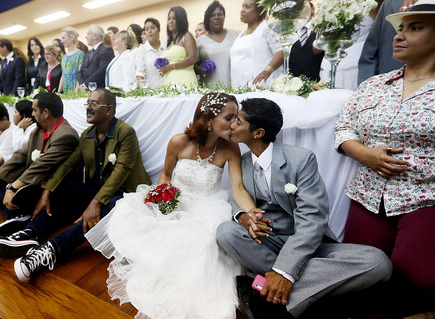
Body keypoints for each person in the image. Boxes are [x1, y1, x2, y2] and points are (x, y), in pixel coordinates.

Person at [85, 92, 262, 319]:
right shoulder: (179, 141)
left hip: (209, 206)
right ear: (209, 119)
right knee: (130, 213)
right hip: (176, 201)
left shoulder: (230, 148)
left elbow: (238, 188)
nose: (233, 124)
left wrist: (251, 212)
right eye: (229, 118)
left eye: (235, 118)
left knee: (204, 243)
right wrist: (164, 200)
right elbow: (165, 175)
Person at [216, 98, 392, 319]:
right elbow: (236, 195)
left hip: (306, 244)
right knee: (226, 233)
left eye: (238, 121)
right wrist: (242, 215)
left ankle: (270, 293)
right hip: (266, 242)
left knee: (377, 263)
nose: (232, 125)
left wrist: (285, 271)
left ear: (258, 133)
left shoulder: (301, 159)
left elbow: (313, 218)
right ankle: (297, 285)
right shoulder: (241, 161)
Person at [335, 0, 435, 316]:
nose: (399, 35)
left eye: (414, 27)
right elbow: (343, 128)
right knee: (356, 272)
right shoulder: (374, 85)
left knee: (417, 277)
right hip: (367, 194)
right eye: (399, 28)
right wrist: (365, 155)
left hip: (424, 195)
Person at [3, 89, 151, 280]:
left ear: (110, 110)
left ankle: (50, 250)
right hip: (97, 191)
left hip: (126, 194)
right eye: (87, 102)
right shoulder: (87, 135)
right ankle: (31, 231)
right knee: (64, 185)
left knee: (111, 205)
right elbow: (68, 165)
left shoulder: (125, 133)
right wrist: (47, 191)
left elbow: (121, 172)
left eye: (94, 103)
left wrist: (95, 203)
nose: (88, 107)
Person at [0, 93, 79, 232]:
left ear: (46, 113)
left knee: (12, 192)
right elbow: (20, 156)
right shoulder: (37, 131)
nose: (32, 114)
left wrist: (12, 188)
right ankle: (18, 217)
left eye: (34, 110)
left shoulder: (67, 135)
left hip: (54, 189)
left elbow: (41, 165)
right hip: (34, 183)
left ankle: (20, 219)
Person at [357, 0, 426, 84]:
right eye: (400, 29)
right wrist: (366, 88)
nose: (398, 37)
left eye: (415, 28)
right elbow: (370, 53)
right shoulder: (390, 3)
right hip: (385, 89)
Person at [230, 0, 283, 88]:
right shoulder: (241, 34)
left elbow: (280, 51)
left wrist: (268, 70)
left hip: (261, 85)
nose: (242, 10)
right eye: (242, 6)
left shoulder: (267, 27)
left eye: (247, 7)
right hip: (239, 86)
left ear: (259, 11)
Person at [196, 0, 239, 87]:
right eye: (213, 15)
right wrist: (201, 70)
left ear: (224, 16)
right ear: (208, 19)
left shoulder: (235, 35)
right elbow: (194, 65)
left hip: (234, 85)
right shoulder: (200, 40)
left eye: (220, 14)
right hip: (210, 87)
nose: (216, 17)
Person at [160, 6, 198, 87]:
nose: (171, 21)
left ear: (181, 20)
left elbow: (193, 58)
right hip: (169, 81)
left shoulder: (187, 36)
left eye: (174, 18)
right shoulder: (169, 42)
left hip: (185, 81)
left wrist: (170, 67)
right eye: (169, 19)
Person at [288, 2, 324, 82]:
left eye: (302, 7)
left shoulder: (321, 28)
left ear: (312, 9)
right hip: (293, 86)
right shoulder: (290, 32)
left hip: (317, 84)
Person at [78, 25, 115, 90]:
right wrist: (82, 85)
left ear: (95, 36)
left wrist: (85, 85)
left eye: (88, 34)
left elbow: (102, 71)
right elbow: (81, 71)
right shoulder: (88, 53)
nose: (85, 37)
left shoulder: (106, 50)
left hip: (99, 91)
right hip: (86, 91)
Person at [135, 18, 165, 88]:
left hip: (170, 89)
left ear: (158, 30)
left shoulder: (166, 47)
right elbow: (140, 74)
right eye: (147, 29)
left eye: (152, 28)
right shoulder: (141, 50)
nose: (149, 31)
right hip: (152, 93)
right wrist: (144, 92)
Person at [60, 27, 85, 93]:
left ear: (71, 37)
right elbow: (63, 76)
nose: (61, 41)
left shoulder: (80, 54)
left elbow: (80, 75)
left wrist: (75, 92)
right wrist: (58, 92)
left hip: (75, 91)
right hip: (65, 92)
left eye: (63, 38)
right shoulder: (64, 57)